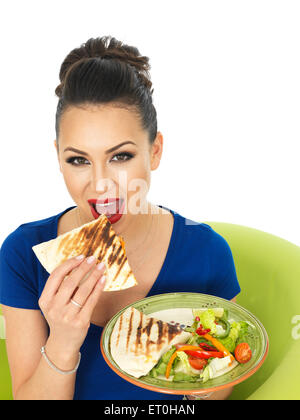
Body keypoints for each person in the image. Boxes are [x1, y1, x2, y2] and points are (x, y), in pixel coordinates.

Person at [0, 35, 240, 400]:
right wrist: (64, 341)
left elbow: (223, 378)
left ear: (154, 151)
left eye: (121, 156)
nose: (100, 183)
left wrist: (199, 380)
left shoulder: (207, 254)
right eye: (78, 160)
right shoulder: (23, 254)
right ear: (58, 157)